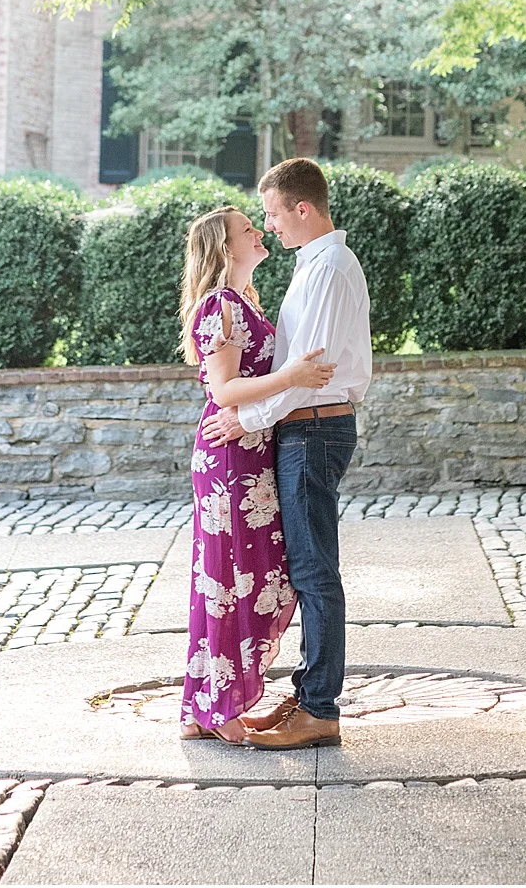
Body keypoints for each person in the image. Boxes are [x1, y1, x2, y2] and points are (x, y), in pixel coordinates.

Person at [202, 156, 372, 750]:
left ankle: (320, 708)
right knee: (307, 569)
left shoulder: (327, 269)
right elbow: (293, 369)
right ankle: (308, 693)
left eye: (272, 213)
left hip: (314, 429)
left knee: (313, 572)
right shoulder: (313, 266)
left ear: (302, 208)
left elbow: (308, 374)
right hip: (302, 428)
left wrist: (242, 419)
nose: (268, 225)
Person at [178, 205, 336, 742]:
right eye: (248, 228)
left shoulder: (246, 302)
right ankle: (218, 708)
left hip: (250, 452)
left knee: (249, 574)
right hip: (229, 460)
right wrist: (291, 375)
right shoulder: (219, 306)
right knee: (227, 579)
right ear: (226, 249)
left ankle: (206, 705)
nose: (259, 230)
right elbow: (222, 391)